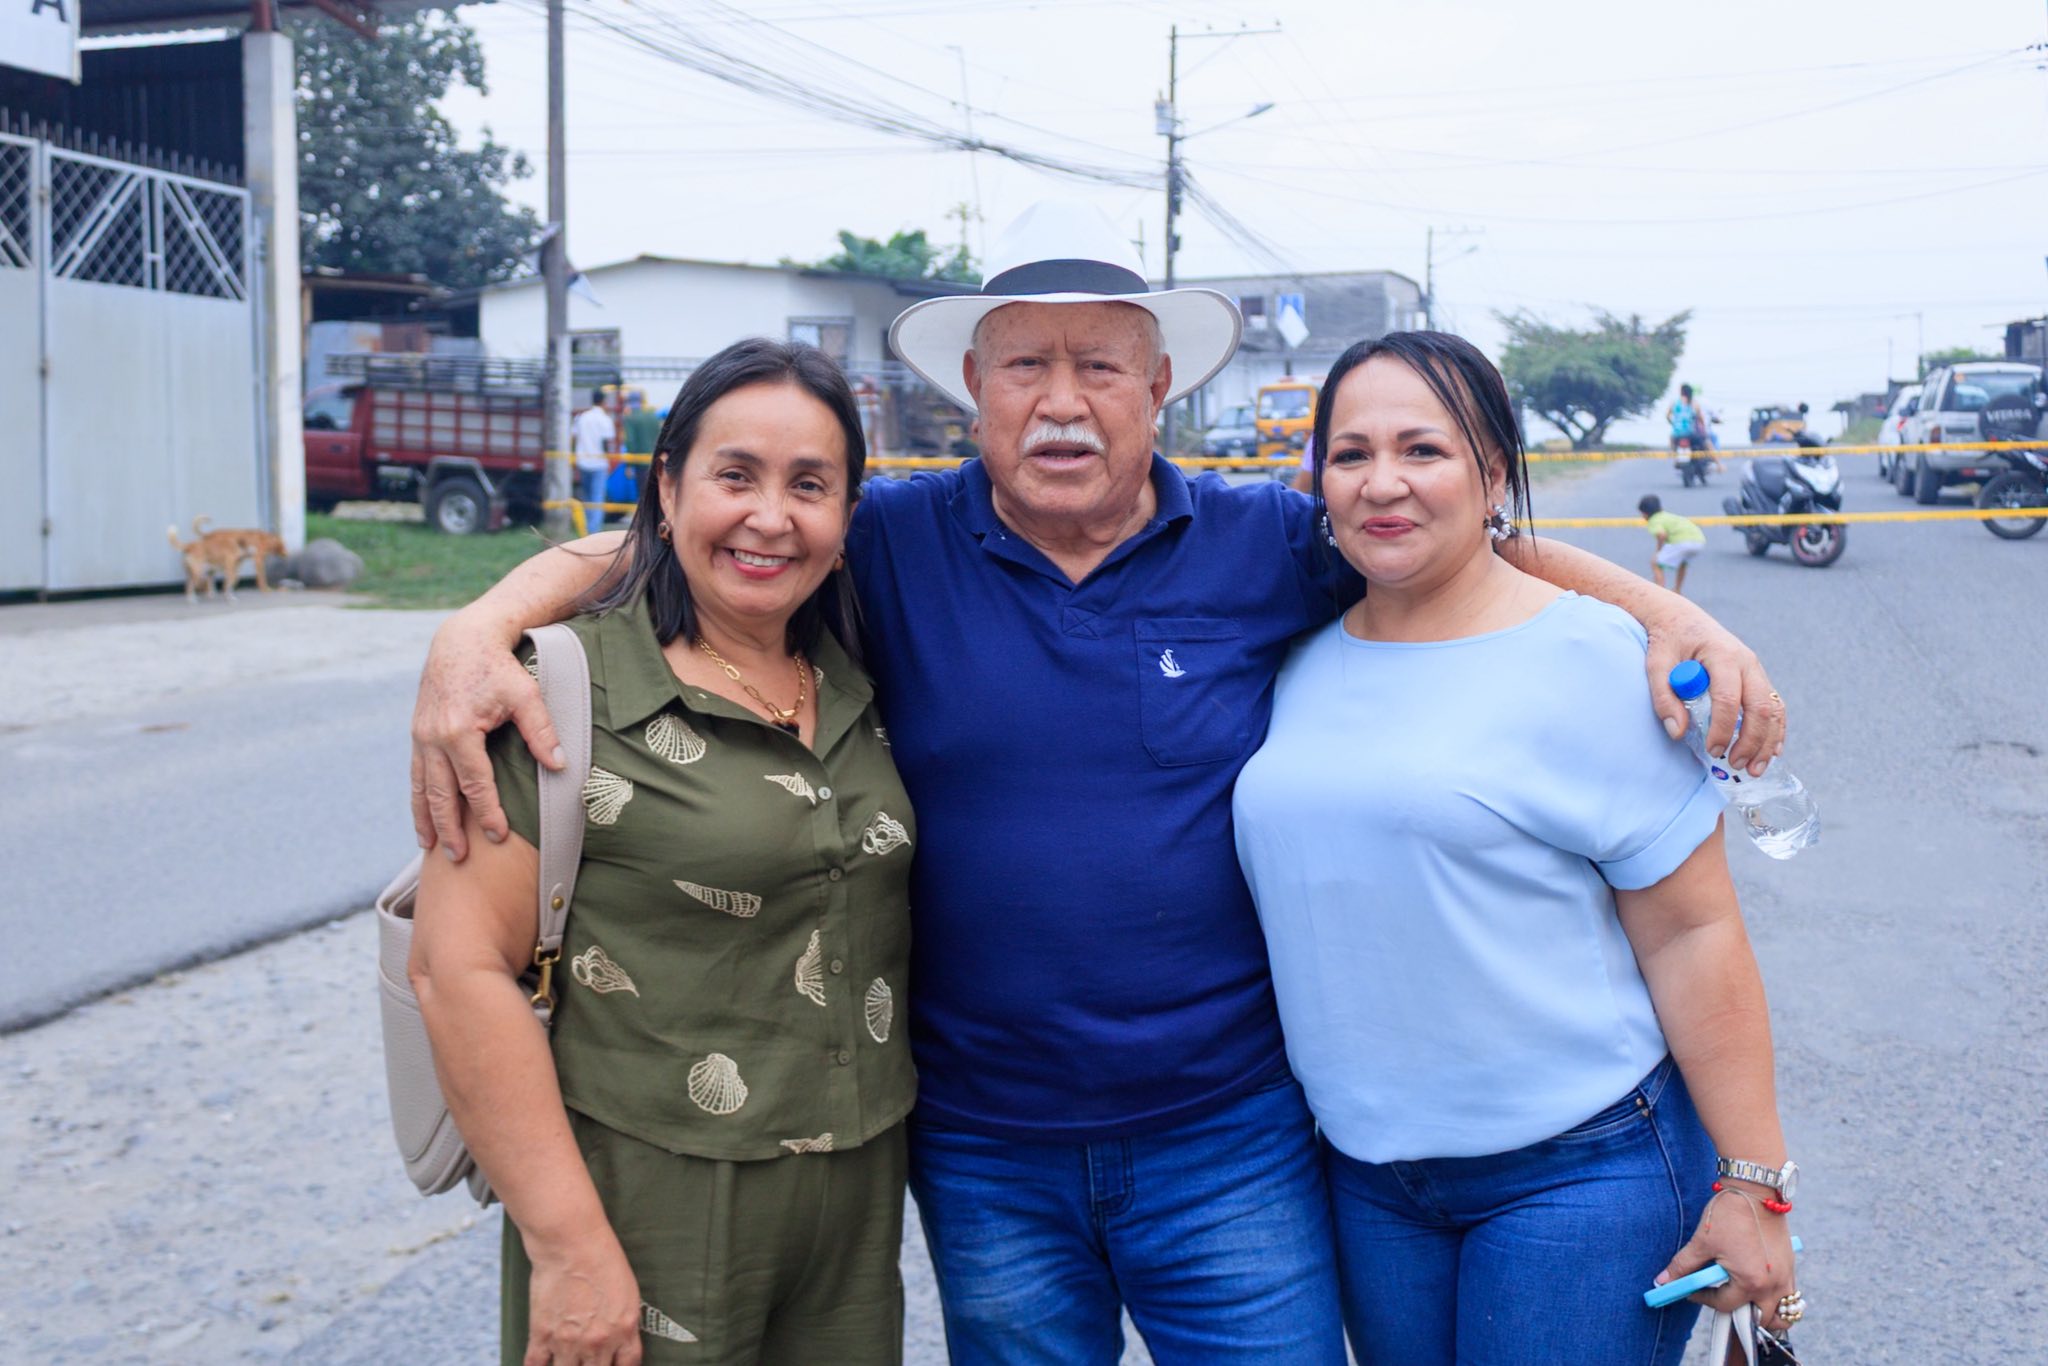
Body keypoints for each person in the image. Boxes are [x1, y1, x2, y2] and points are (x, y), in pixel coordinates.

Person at [406, 201, 1786, 1365]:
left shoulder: (1260, 541)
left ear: (1157, 387)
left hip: (1229, 1138)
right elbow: (689, 537)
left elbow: (1442, 532)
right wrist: (478, 627)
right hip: (983, 1147)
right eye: (1023, 365)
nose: (1061, 400)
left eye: (1099, 368)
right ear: (974, 387)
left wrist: (1673, 615)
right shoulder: (885, 539)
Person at [1234, 332, 1799, 1364]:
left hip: (1581, 1171)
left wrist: (1754, 1185)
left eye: (1423, 449)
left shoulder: (1591, 656)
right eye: (1351, 454)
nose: (1381, 482)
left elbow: (1693, 933)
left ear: (1493, 473)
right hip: (1370, 1179)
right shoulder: (1293, 653)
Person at [410, 339, 914, 1366]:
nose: (770, 516)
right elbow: (455, 970)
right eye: (735, 475)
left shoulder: (857, 667)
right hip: (647, 1198)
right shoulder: (560, 692)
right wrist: (568, 1247)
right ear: (669, 488)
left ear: (847, 515)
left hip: (855, 1201)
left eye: (808, 484)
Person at [1640, 493, 1707, 594]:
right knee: (1682, 563)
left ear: (1645, 513)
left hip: (1683, 543)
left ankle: (1660, 592)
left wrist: (1658, 551)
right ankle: (1677, 589)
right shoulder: (1668, 515)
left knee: (1655, 562)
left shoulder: (1654, 521)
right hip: (1699, 541)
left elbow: (1661, 535)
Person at [573, 388, 618, 531]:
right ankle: (594, 530)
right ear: (604, 402)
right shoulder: (605, 420)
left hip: (583, 461)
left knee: (586, 496)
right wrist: (608, 460)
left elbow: (574, 437)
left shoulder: (581, 417)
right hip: (599, 462)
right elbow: (606, 443)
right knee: (597, 497)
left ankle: (586, 528)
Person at [1668, 382, 1702, 456]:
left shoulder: (1674, 402)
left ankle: (1675, 456)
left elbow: (1667, 416)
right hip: (1690, 433)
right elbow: (1700, 418)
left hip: (1676, 434)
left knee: (1672, 443)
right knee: (1702, 443)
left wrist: (1673, 424)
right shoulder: (1694, 403)